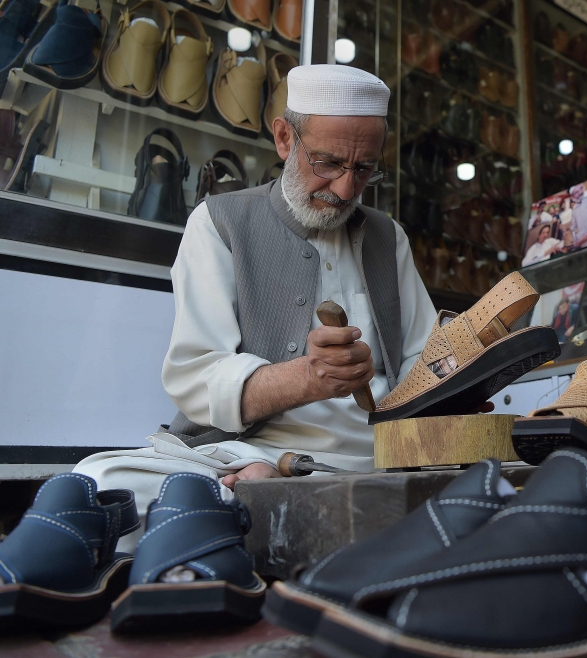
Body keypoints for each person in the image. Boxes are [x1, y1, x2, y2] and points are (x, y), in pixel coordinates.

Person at [73, 65, 439, 552]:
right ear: (285, 138)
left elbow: (425, 361)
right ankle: (260, 496)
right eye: (328, 163)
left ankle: (243, 511)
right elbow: (195, 378)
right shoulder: (220, 222)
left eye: (364, 169)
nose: (346, 189)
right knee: (97, 481)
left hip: (367, 463)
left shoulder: (387, 238)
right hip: (238, 453)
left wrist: (459, 382)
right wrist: (309, 378)